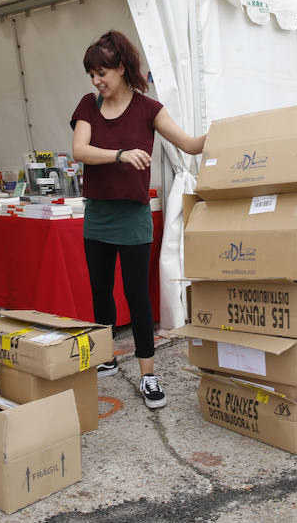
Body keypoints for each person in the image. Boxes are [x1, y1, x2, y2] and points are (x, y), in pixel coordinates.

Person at [71, 30, 206, 409]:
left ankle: (149, 374)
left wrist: (223, 136)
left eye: (102, 74)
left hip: (133, 218)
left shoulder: (150, 109)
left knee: (137, 297)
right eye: (92, 75)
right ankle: (106, 358)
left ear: (122, 69)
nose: (97, 82)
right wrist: (120, 154)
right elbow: (79, 150)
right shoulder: (88, 105)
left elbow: (191, 145)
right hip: (98, 214)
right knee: (101, 293)